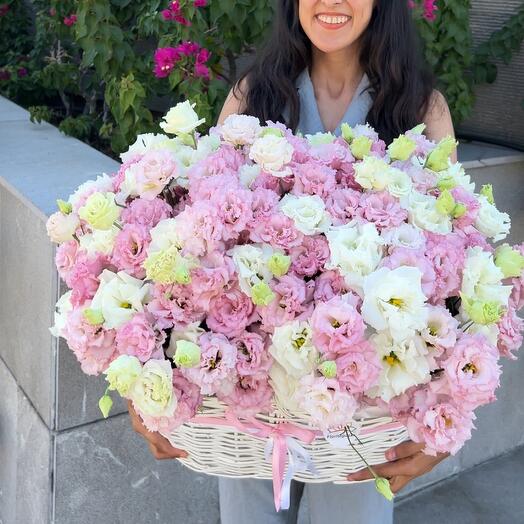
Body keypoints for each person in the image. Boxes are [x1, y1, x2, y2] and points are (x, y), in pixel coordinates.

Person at [129, 0, 457, 522]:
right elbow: (194, 242)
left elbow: (455, 263)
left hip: (360, 403)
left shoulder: (420, 109)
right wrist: (144, 381)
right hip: (250, 400)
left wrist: (446, 421)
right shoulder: (252, 95)